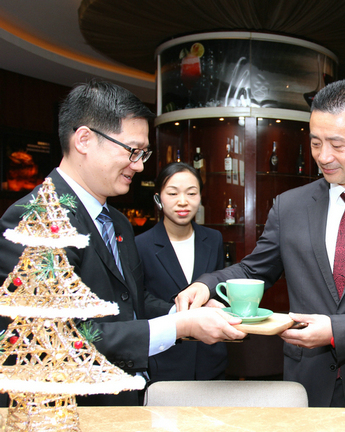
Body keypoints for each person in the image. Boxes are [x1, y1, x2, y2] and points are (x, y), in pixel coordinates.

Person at [176, 79, 345, 408]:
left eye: (337, 144)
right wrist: (206, 285)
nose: (324, 156)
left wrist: (336, 330)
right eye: (316, 143)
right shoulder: (290, 206)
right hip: (308, 383)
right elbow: (254, 270)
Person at [0, 80, 245, 405]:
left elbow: (131, 302)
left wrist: (184, 309)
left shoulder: (117, 222)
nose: (139, 165)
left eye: (143, 153)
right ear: (84, 140)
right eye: (132, 151)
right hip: (70, 415)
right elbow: (53, 339)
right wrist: (179, 326)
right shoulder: (38, 219)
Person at [135, 162, 228, 382]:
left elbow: (220, 286)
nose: (183, 201)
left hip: (210, 357)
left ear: (200, 197)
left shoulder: (213, 239)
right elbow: (139, 298)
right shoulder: (140, 244)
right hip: (165, 358)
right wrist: (179, 313)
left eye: (191, 193)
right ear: (158, 199)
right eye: (173, 193)